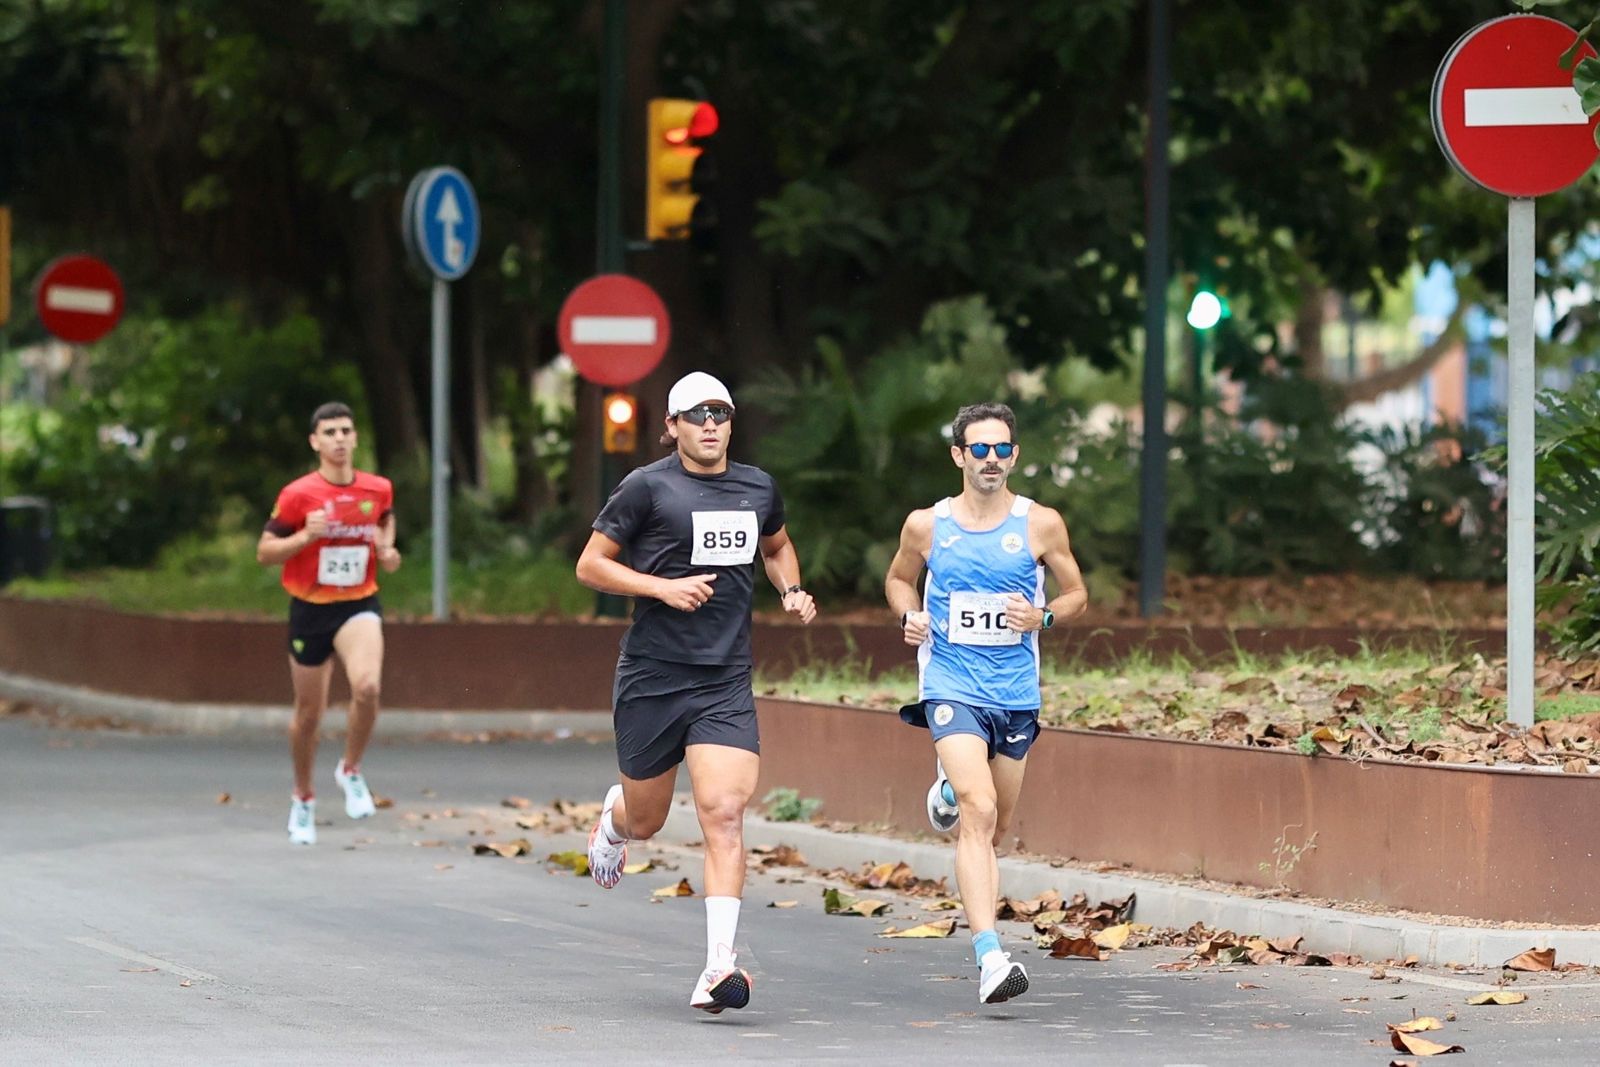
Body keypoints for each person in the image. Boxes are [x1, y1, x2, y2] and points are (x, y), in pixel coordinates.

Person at [575, 371, 818, 1014]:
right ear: (672, 425)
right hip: (653, 676)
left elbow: (777, 547)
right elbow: (590, 565)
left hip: (724, 678)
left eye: (721, 412)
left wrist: (791, 588)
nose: (710, 423)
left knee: (724, 813)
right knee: (648, 819)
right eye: (696, 414)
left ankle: (718, 966)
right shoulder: (646, 487)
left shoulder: (757, 487)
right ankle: (616, 819)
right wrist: (661, 588)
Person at [884, 402, 1087, 1005]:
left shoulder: (1040, 524)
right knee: (980, 808)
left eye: (1001, 449)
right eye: (980, 449)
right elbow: (897, 579)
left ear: (1014, 456)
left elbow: (1077, 593)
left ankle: (947, 791)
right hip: (950, 684)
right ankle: (991, 958)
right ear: (959, 456)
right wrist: (910, 615)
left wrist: (1043, 616)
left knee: (996, 825)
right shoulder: (927, 525)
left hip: (1015, 691)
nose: (991, 459)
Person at [256, 402, 401, 846]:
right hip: (310, 610)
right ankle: (303, 796)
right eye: (330, 432)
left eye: (345, 431)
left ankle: (350, 769)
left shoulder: (377, 488)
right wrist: (305, 536)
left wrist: (387, 549)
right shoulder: (298, 495)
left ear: (355, 438)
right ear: (315, 442)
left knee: (368, 688)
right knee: (308, 715)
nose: (339, 439)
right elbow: (264, 552)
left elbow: (385, 519)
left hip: (358, 604)